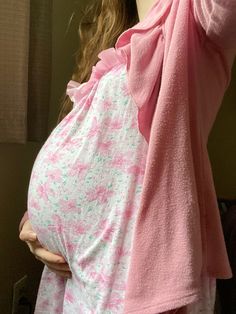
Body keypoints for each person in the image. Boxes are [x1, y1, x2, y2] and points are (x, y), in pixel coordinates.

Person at [19, 0, 236, 313]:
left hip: (129, 279)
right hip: (70, 277)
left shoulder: (198, 18)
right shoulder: (115, 33)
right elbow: (96, 153)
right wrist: (39, 224)